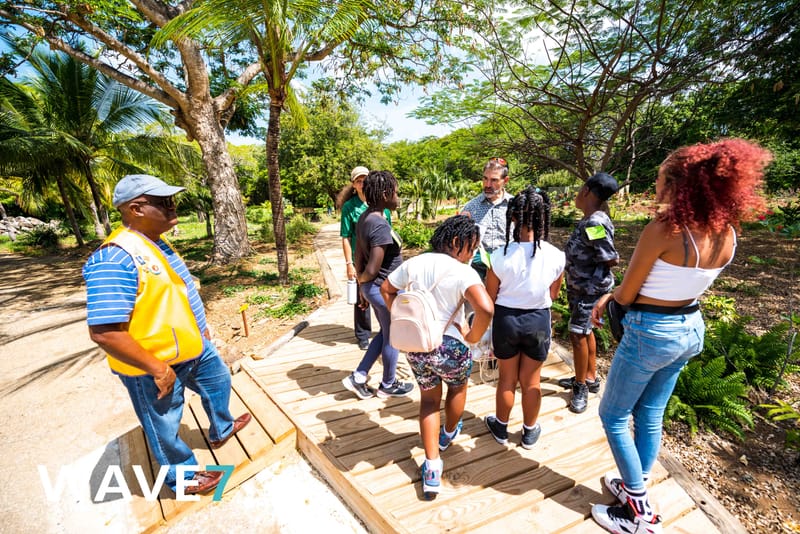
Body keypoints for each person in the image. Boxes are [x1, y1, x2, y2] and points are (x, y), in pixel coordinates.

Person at [589, 139, 771, 534]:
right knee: (650, 414)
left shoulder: (665, 230)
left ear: (678, 185)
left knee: (614, 415)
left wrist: (607, 297)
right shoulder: (727, 232)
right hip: (689, 327)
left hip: (651, 331)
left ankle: (639, 513)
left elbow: (627, 293)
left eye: (659, 180)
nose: (655, 188)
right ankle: (632, 484)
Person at [82, 174, 251, 496]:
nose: (173, 206)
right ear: (135, 209)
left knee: (219, 382)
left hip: (193, 348)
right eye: (162, 202)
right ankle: (182, 477)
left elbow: (173, 293)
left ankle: (222, 428)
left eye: (172, 199)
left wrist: (200, 328)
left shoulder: (154, 241)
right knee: (164, 426)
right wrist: (158, 369)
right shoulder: (114, 258)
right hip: (155, 365)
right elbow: (104, 332)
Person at [381, 215, 494, 498]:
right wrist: (472, 337)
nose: (472, 254)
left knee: (429, 401)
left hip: (418, 346)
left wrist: (400, 315)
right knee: (457, 388)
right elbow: (486, 308)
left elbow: (386, 289)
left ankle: (431, 468)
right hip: (451, 347)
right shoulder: (464, 272)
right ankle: (449, 432)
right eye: (471, 248)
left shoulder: (415, 262)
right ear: (457, 243)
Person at [483, 186, 565, 449]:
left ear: (513, 217)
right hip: (538, 321)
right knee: (532, 381)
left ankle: (501, 426)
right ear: (544, 218)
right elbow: (553, 293)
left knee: (507, 379)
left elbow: (490, 296)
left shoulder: (499, 255)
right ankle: (529, 431)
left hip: (506, 321)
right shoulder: (556, 256)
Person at [341, 170, 414, 399]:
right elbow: (372, 268)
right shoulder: (379, 224)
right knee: (393, 334)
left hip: (375, 288)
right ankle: (388, 384)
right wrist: (361, 282)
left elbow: (360, 255)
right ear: (384, 194)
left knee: (385, 332)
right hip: (383, 289)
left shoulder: (368, 217)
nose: (397, 197)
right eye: (395, 192)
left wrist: (364, 289)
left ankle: (359, 376)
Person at [561, 172, 620, 413]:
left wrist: (593, 286)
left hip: (589, 291)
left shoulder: (595, 222)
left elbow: (609, 257)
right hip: (581, 288)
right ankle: (590, 377)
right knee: (585, 332)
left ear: (585, 191)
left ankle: (581, 386)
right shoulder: (592, 219)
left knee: (577, 335)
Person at [338, 165, 392, 350]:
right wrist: (349, 263)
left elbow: (389, 233)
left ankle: (386, 330)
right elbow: (346, 236)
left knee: (383, 293)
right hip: (360, 257)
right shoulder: (349, 207)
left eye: (365, 180)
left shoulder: (381, 205)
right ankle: (362, 334)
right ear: (353, 185)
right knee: (361, 296)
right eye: (358, 181)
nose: (362, 184)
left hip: (380, 258)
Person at [460, 157, 514, 280]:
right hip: (478, 269)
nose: (488, 185)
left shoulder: (515, 205)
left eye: (494, 180)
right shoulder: (471, 207)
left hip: (507, 267)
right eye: (485, 178)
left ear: (505, 180)